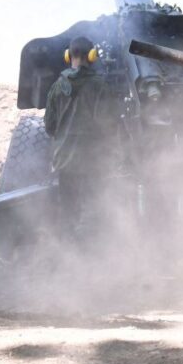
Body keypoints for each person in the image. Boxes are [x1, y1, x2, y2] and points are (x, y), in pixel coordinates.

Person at [44, 36, 117, 241]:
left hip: (65, 161)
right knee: (95, 209)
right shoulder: (100, 86)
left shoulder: (57, 87)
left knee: (69, 211)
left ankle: (71, 254)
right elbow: (109, 125)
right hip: (93, 161)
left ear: (68, 56)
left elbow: (50, 126)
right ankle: (94, 251)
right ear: (92, 56)